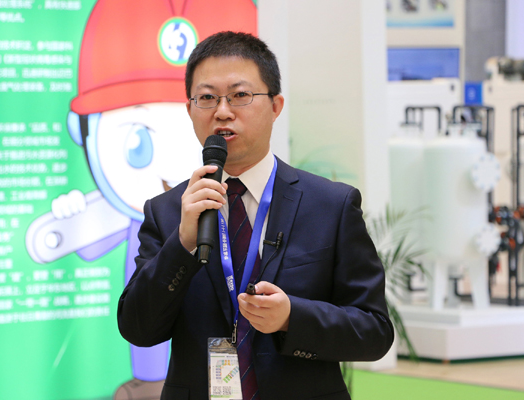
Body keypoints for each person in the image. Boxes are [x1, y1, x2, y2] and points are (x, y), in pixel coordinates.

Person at [117, 31, 394, 400]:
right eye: (207, 98)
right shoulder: (167, 211)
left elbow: (374, 332)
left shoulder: (331, 205)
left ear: (276, 106)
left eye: (240, 95)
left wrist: (292, 317)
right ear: (190, 109)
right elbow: (138, 329)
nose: (222, 111)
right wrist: (182, 245)